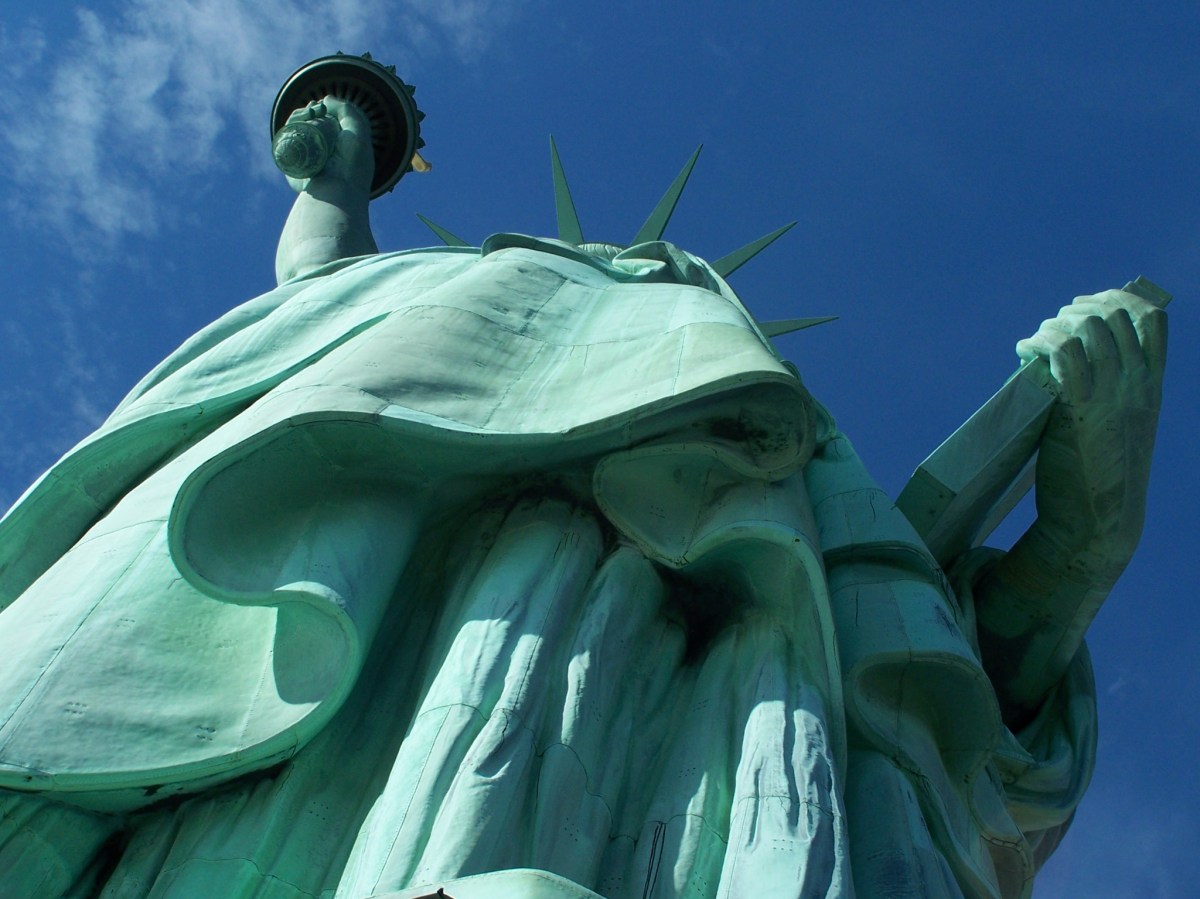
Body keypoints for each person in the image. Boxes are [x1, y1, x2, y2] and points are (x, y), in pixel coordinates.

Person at [0, 96, 1166, 899]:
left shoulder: (787, 507)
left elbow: (942, 690)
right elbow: (320, 299)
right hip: (333, 682)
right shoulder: (432, 326)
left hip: (664, 683)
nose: (628, 290)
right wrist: (337, 183)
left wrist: (1083, 539)